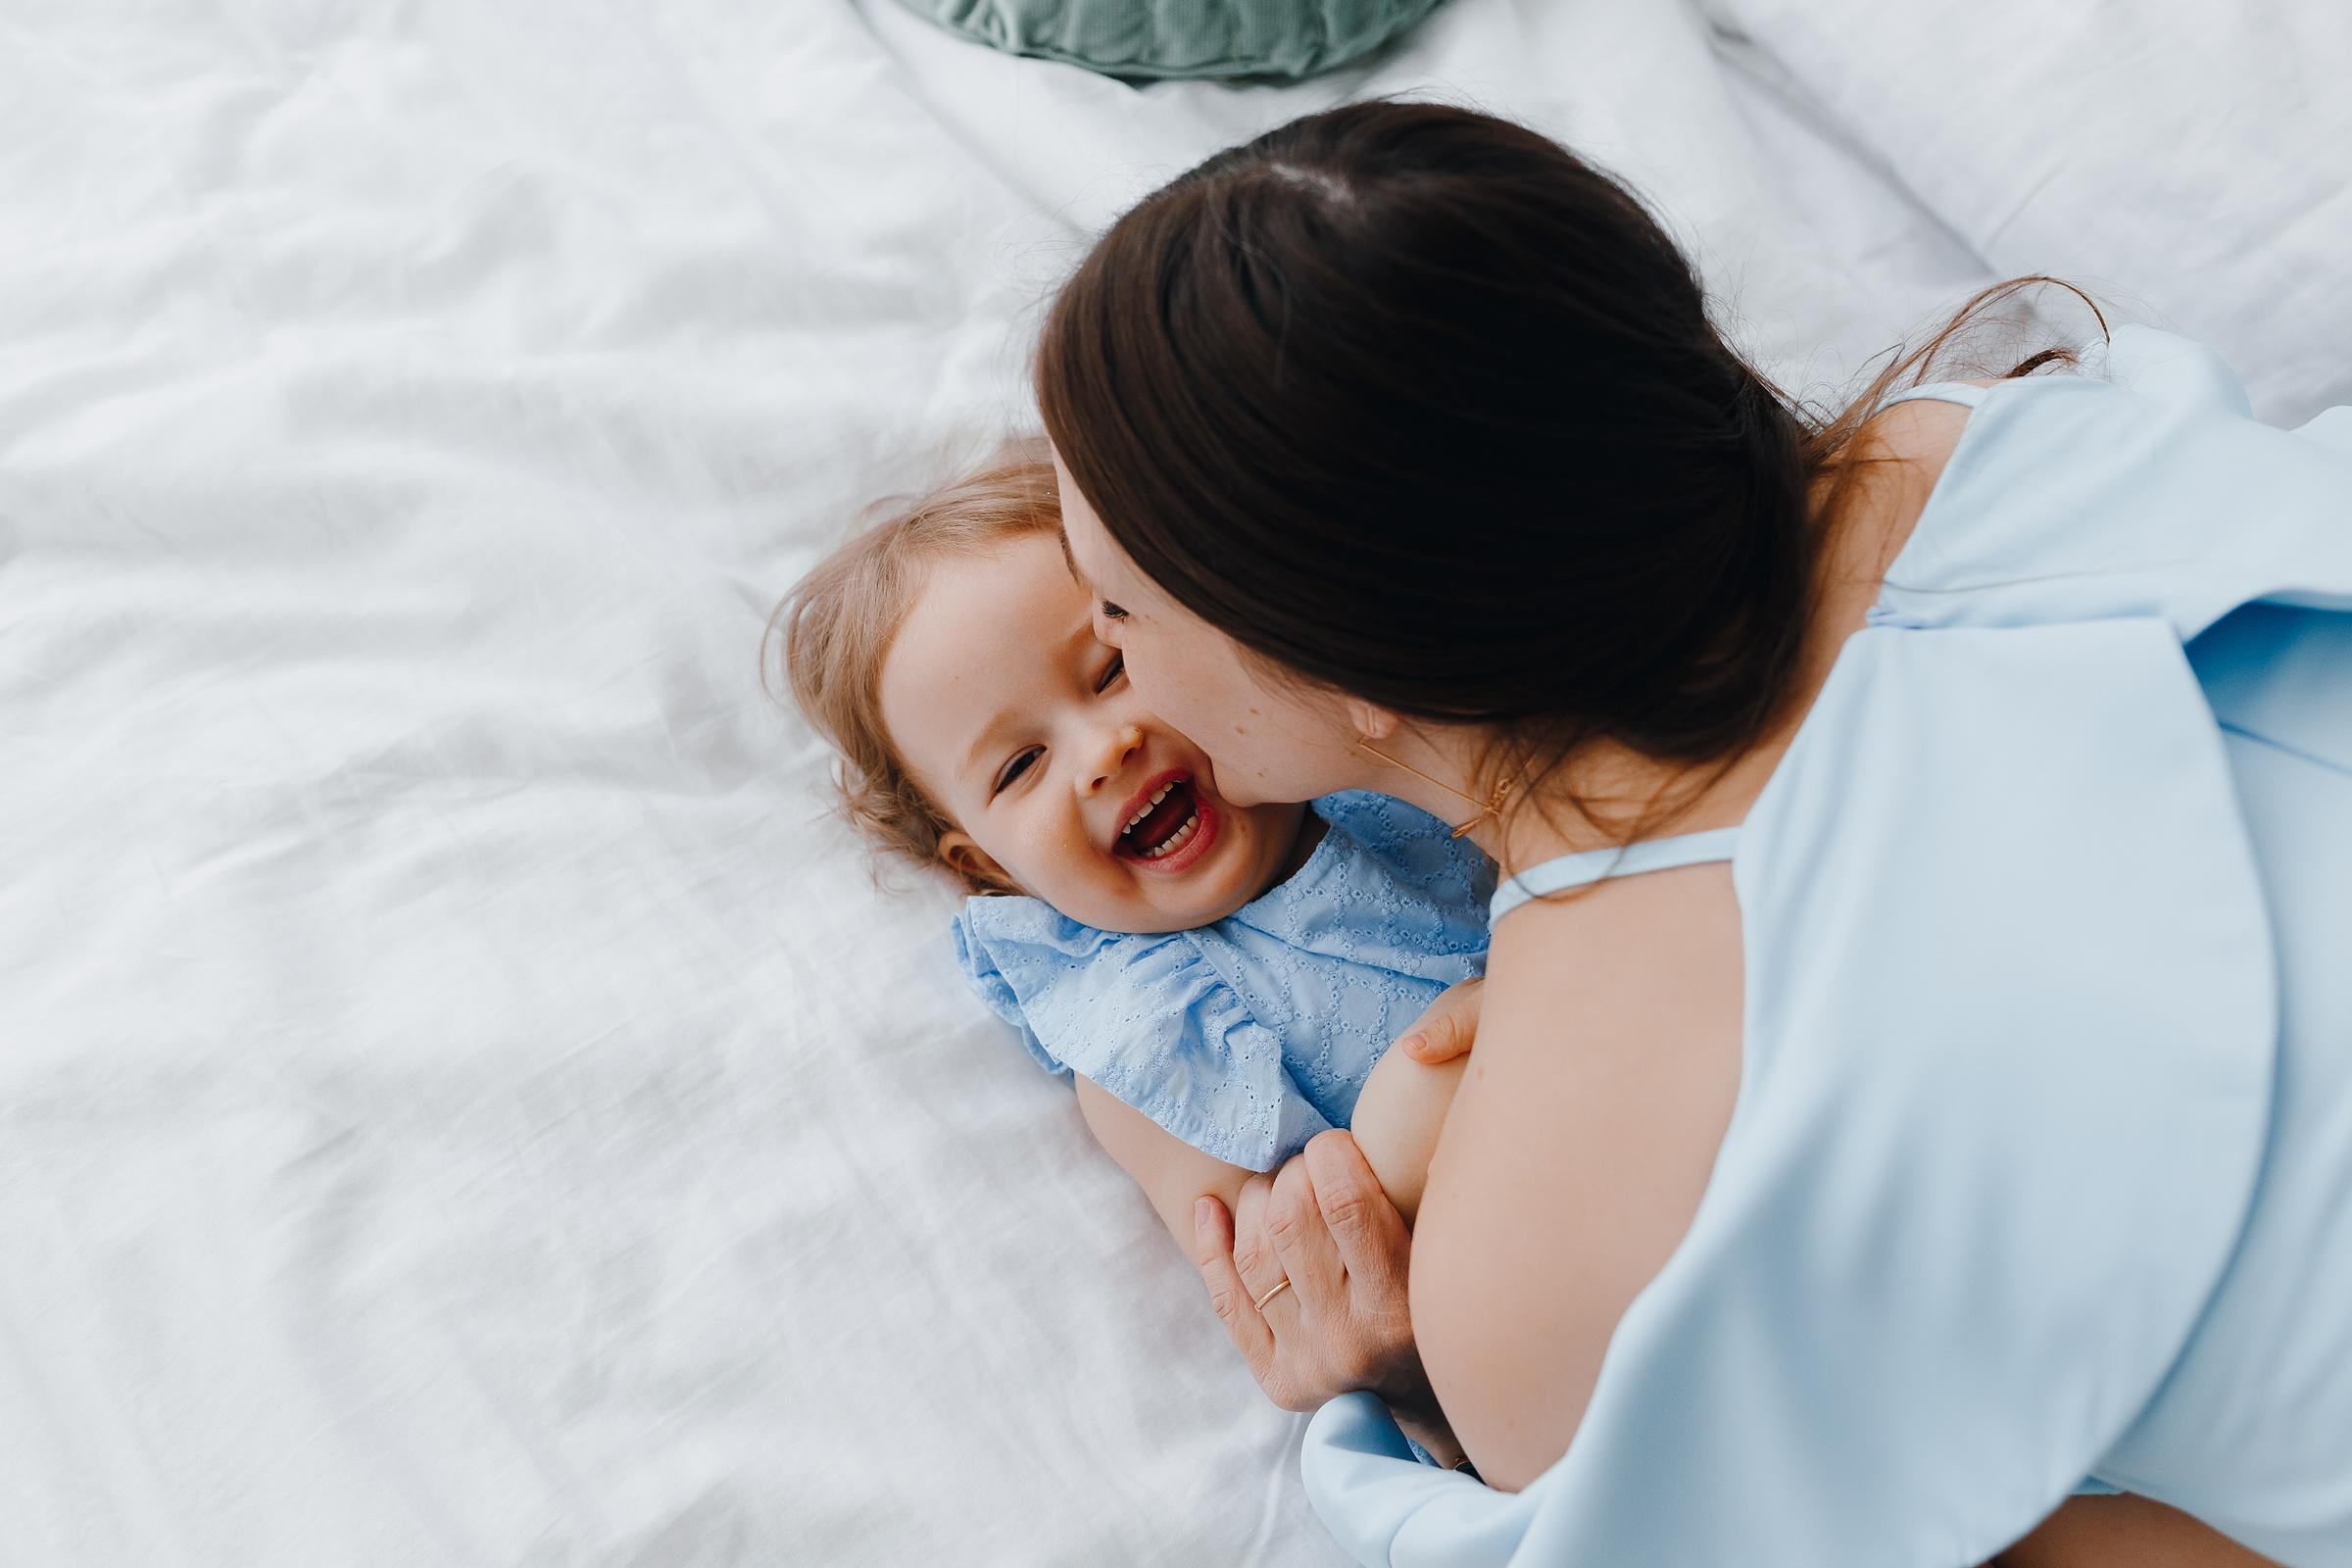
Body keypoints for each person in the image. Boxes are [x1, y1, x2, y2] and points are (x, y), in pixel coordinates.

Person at [1033, 98, 2352, 1565]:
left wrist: (1415, 1399)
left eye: (1117, 616)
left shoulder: (1542, 1244)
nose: (1119, 673)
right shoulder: (1993, 433)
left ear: (1336, 670)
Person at [772, 445, 1494, 1459]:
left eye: (1110, 671)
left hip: (1673, 1037)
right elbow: (1293, 1265)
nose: (1102, 748)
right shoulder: (1147, 1026)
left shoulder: (1358, 747)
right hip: (1500, 1266)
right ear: (986, 866)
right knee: (1412, 1113)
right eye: (1021, 764)